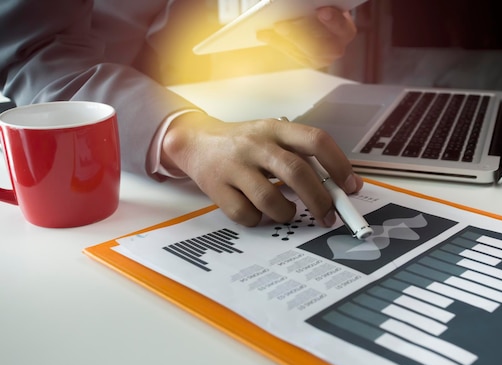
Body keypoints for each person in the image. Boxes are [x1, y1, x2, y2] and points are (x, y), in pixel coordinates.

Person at [0, 0, 364, 228]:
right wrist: (184, 137)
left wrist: (296, 30)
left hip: (205, 100)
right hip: (77, 139)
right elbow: (32, 50)